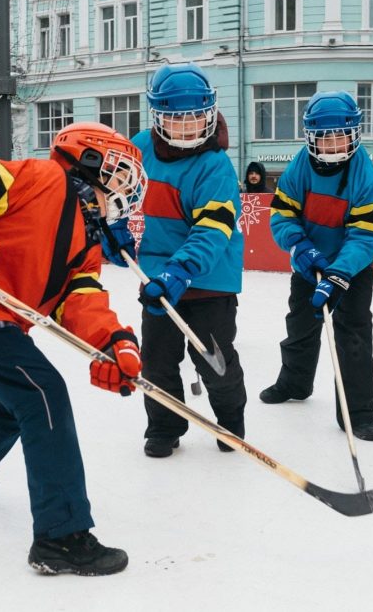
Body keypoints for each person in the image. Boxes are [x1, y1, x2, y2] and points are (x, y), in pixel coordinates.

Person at [0, 121, 146, 576]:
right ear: (90, 161)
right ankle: (61, 536)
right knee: (42, 393)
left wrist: (114, 342)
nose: (123, 191)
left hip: (1, 319)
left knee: (18, 398)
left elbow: (80, 300)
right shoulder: (40, 179)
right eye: (120, 176)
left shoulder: (86, 240)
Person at [131, 62, 247, 458]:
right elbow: (112, 194)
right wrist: (108, 228)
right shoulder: (139, 149)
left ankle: (231, 422)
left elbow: (213, 230)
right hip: (157, 275)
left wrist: (181, 270)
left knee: (213, 360)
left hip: (209, 275)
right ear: (158, 117)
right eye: (175, 119)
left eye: (196, 117)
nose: (187, 127)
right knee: (157, 360)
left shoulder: (215, 166)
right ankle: (164, 426)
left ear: (210, 113)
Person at [260, 91, 373, 441]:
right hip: (309, 264)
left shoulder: (364, 175)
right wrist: (300, 247)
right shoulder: (300, 165)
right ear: (310, 136)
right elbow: (282, 214)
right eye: (324, 138)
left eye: (340, 136)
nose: (333, 145)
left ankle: (358, 413)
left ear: (354, 133)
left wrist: (339, 273)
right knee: (300, 326)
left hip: (351, 271)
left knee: (353, 337)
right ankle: (294, 383)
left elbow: (366, 235)